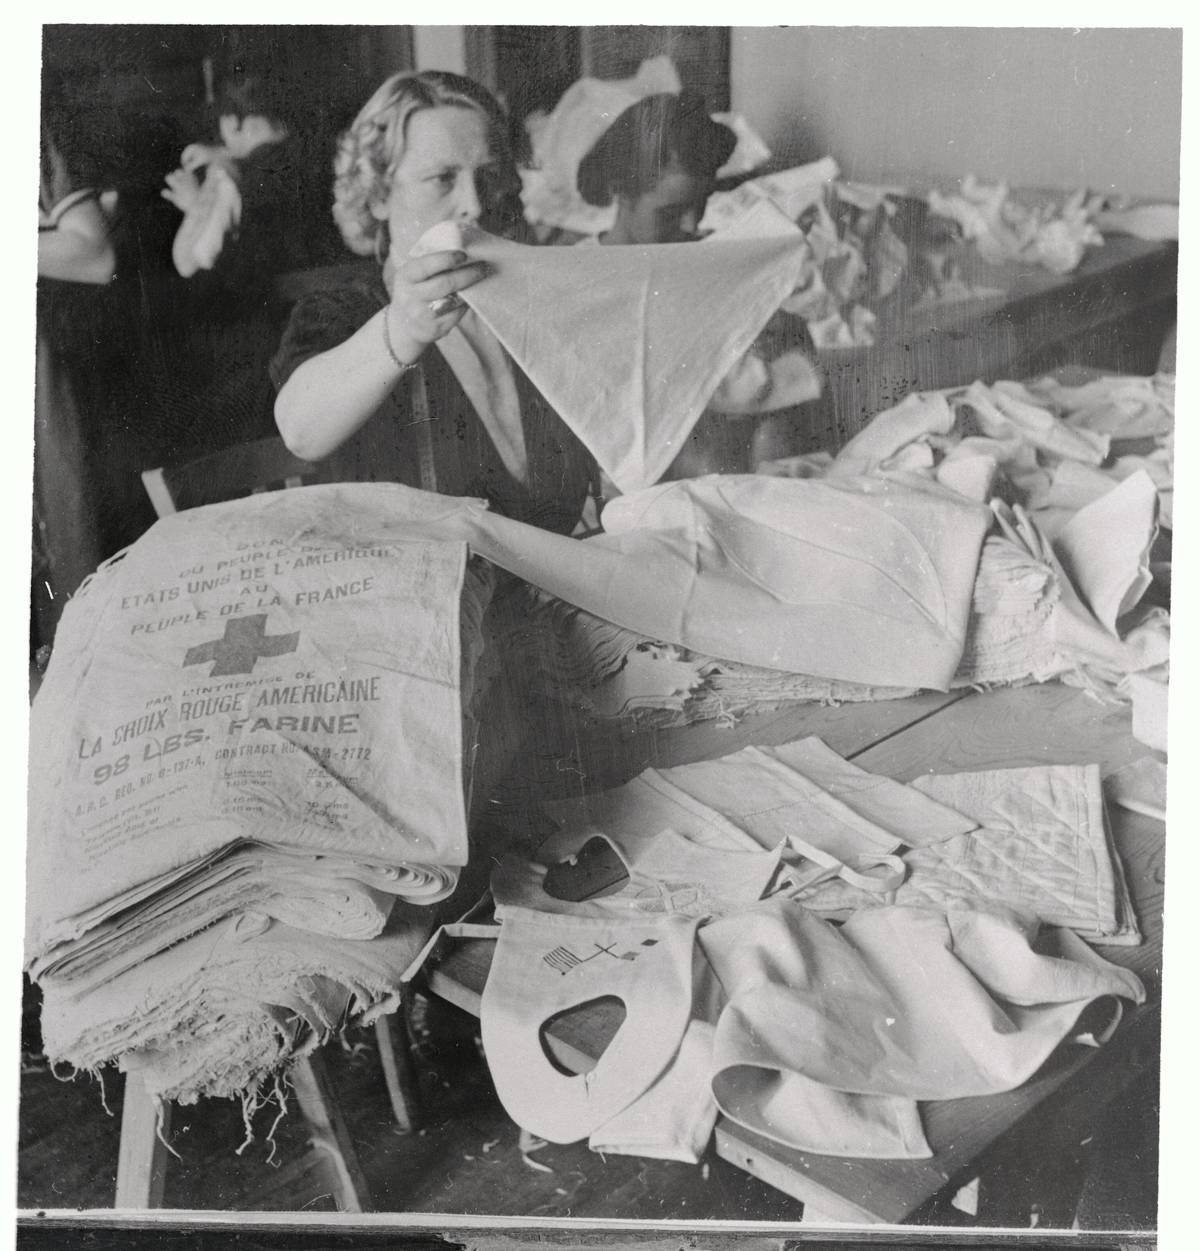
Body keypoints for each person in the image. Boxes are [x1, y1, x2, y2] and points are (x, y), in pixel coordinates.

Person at [271, 70, 594, 535]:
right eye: (443, 178)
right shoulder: (340, 314)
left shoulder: (535, 304)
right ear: (379, 196)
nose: (474, 205)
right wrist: (403, 329)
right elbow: (300, 431)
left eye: (488, 176)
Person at [576, 91, 826, 477]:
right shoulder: (579, 276)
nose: (692, 224)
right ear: (621, 192)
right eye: (671, 212)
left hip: (731, 428)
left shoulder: (706, 257)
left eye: (703, 202)